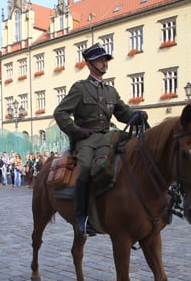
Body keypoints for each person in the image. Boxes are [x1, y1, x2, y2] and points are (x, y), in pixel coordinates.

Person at [53, 42, 141, 236]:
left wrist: (137, 115)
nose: (104, 63)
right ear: (89, 64)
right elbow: (60, 113)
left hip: (109, 135)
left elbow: (123, 113)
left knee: (137, 152)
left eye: (105, 60)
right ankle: (82, 217)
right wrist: (77, 131)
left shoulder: (111, 91)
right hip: (87, 139)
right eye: (100, 60)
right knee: (84, 168)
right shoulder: (80, 88)